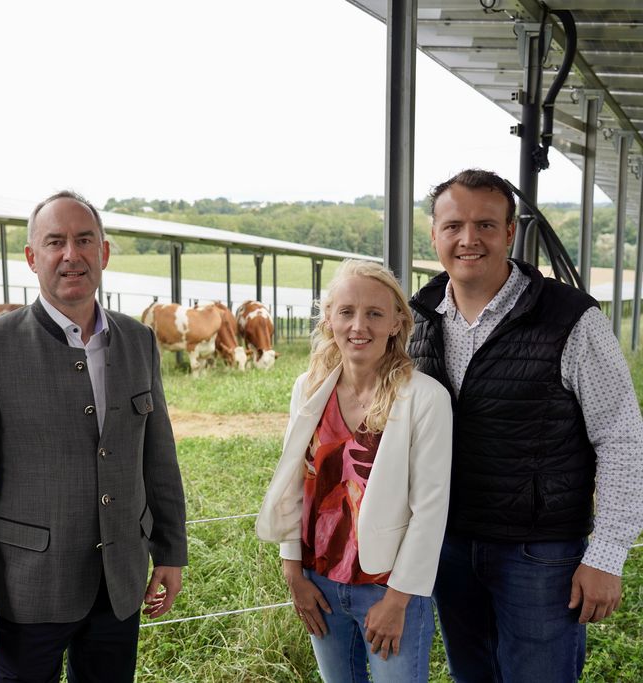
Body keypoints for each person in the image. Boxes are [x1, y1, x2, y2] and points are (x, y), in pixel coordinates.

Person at [0, 190, 188, 682]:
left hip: (119, 580)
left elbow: (158, 455)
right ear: (32, 257)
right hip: (27, 589)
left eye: (84, 240)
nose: (71, 254)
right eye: (55, 242)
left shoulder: (138, 340)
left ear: (104, 252)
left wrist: (170, 550)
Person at [409, 168, 643, 682]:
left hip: (539, 553)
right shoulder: (419, 318)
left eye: (485, 225)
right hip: (449, 546)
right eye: (453, 226)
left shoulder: (571, 318)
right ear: (433, 235)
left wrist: (607, 554)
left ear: (510, 232)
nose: (468, 239)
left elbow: (622, 437)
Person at [257, 260, 452, 682]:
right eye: (346, 311)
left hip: (388, 588)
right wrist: (293, 572)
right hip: (318, 581)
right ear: (329, 318)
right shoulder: (309, 387)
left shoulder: (425, 398)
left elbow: (431, 510)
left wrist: (397, 600)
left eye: (374, 313)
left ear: (397, 322)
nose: (358, 326)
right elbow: (295, 483)